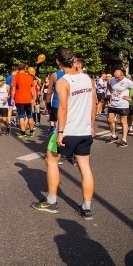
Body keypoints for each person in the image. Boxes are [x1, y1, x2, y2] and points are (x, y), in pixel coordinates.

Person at [32, 48, 97, 219]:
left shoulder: (63, 81)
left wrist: (60, 132)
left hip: (68, 130)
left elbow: (62, 108)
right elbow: (93, 104)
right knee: (85, 167)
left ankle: (52, 201)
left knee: (51, 160)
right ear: (75, 60)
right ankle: (86, 207)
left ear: (58, 63)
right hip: (84, 130)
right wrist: (91, 125)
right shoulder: (88, 79)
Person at [10, 63, 36, 139]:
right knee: (30, 116)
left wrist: (12, 98)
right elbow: (32, 89)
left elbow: (13, 89)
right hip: (28, 99)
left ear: (18, 69)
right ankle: (31, 132)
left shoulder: (16, 76)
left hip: (20, 99)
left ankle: (23, 133)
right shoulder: (29, 77)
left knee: (21, 116)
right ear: (25, 68)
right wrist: (33, 99)